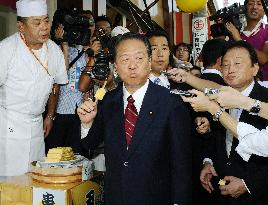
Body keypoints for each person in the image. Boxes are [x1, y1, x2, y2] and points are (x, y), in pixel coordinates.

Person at [77, 33, 192, 205]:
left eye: (139, 58)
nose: (132, 66)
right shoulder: (107, 101)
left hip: (156, 197)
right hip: (116, 196)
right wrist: (86, 124)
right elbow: (89, 146)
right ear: (115, 66)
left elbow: (181, 162)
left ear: (149, 61)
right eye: (125, 60)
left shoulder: (170, 103)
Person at [183, 41, 268, 205]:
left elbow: (256, 142)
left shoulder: (264, 100)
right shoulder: (221, 96)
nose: (230, 69)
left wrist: (249, 184)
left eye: (237, 63)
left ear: (255, 68)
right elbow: (218, 136)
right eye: (225, 64)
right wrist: (208, 162)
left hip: (257, 195)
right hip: (222, 189)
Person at [0, 0, 68, 176]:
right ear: (21, 26)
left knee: (34, 176)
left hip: (37, 124)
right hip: (8, 124)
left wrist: (50, 115)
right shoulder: (6, 49)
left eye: (46, 20)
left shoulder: (54, 50)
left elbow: (55, 85)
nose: (44, 27)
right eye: (36, 23)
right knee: (8, 181)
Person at [45, 10, 96, 154]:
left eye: (91, 24)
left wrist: (92, 54)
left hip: (81, 114)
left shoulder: (93, 53)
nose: (88, 28)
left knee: (78, 156)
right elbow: (61, 75)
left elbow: (88, 84)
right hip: (60, 112)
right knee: (55, 155)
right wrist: (64, 45)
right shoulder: (60, 50)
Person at [226, 0, 268, 80]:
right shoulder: (235, 31)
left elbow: (264, 59)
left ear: (264, 11)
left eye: (259, 4)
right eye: (250, 3)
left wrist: (239, 40)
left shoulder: (266, 30)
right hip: (239, 85)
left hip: (264, 85)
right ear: (244, 9)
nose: (254, 7)